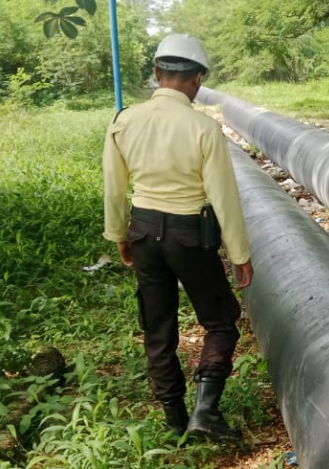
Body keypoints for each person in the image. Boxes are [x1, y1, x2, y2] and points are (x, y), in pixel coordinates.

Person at [102, 34, 253, 442]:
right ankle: (206, 412)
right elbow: (224, 196)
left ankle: (174, 420)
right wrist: (240, 253)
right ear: (198, 79)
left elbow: (114, 188)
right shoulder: (204, 128)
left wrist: (119, 234)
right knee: (220, 321)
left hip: (143, 231)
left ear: (156, 72)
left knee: (157, 327)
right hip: (189, 235)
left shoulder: (124, 121)